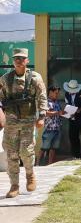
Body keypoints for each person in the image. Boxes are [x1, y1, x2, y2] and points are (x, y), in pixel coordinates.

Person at [0, 48, 48, 198]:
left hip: (27, 121)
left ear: (27, 60)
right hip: (11, 122)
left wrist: (42, 116)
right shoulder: (5, 79)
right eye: (16, 59)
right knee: (11, 154)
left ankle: (30, 175)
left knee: (26, 152)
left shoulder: (34, 78)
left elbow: (42, 97)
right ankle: (14, 185)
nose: (19, 61)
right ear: (13, 61)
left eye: (22, 59)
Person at [64, 79, 81, 158]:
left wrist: (80, 109)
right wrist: (69, 112)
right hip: (72, 118)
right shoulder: (67, 94)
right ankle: (76, 154)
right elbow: (67, 104)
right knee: (73, 136)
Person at [38, 85, 64, 165]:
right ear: (51, 92)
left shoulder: (57, 102)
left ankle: (50, 164)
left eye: (58, 93)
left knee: (53, 148)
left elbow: (58, 113)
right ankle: (37, 163)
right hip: (49, 129)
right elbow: (45, 113)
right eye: (56, 93)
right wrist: (57, 113)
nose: (57, 94)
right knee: (44, 148)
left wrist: (64, 113)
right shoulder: (45, 102)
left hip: (57, 128)